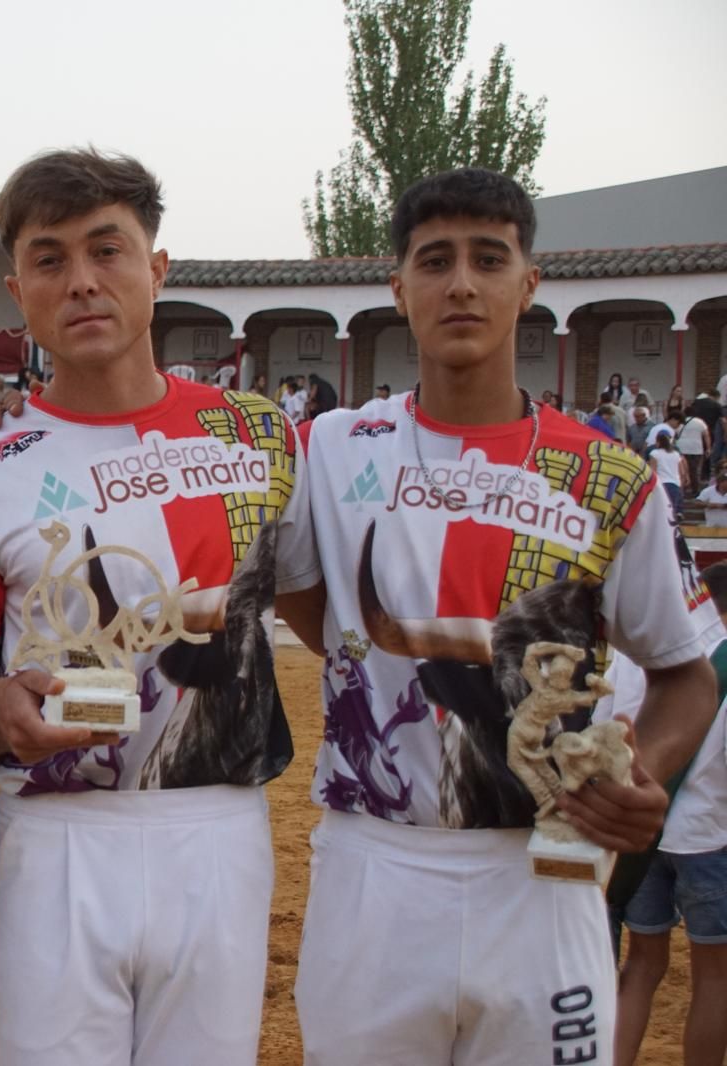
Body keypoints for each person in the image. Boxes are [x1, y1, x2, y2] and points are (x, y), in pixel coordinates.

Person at [285, 167, 716, 1066]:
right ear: (398, 287)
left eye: (489, 259)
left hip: (547, 867)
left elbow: (685, 672)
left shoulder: (610, 475)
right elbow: (309, 604)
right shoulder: (331, 446)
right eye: (435, 261)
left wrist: (640, 771)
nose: (462, 284)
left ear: (529, 285)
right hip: (375, 861)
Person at [0, 149, 316, 1066]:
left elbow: (331, 621)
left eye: (107, 249)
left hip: (221, 829)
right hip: (54, 836)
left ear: (157, 267)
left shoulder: (260, 435)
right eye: (50, 259)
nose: (83, 281)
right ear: (18, 291)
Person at [601, 555, 727, 1066]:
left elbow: (604, 726)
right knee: (715, 977)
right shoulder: (716, 663)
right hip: (708, 836)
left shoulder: (636, 656)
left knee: (641, 964)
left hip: (639, 834)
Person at [650, 428, 689, 519]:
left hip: (661, 484)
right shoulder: (676, 454)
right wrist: (681, 487)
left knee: (662, 512)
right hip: (675, 484)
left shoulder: (654, 453)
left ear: (658, 442)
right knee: (673, 512)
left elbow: (653, 471)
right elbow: (682, 472)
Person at [677, 406, 710, 490]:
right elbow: (706, 435)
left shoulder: (680, 422)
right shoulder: (700, 422)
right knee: (694, 470)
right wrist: (708, 448)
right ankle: (695, 489)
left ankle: (684, 488)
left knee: (683, 469)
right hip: (696, 449)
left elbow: (675, 433)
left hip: (682, 448)